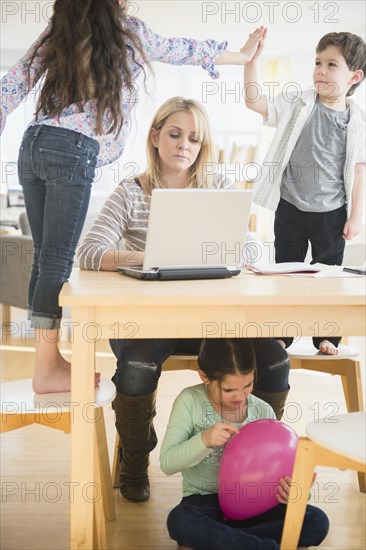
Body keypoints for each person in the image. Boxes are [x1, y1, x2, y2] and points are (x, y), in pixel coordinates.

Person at [0, 0, 266, 394]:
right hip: (74, 150)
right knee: (55, 259)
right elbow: (185, 49)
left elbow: (13, 83)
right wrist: (241, 55)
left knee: (44, 255)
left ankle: (48, 362)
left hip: (33, 145)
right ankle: (48, 367)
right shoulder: (130, 33)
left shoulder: (59, 33)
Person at [77, 96, 291, 502]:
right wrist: (139, 257)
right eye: (175, 135)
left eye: (194, 139)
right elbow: (88, 252)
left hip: (216, 325)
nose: (184, 145)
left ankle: (258, 455)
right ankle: (135, 461)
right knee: (137, 368)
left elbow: (255, 251)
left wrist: (228, 250)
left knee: (276, 360)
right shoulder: (131, 192)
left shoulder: (218, 189)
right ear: (156, 137)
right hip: (150, 323)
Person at [244, 31, 365, 355]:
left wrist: (356, 215)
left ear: (354, 76)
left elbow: (358, 169)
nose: (321, 71)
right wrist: (251, 63)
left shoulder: (357, 120)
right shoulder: (298, 103)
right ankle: (284, 333)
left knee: (329, 279)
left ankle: (326, 336)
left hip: (332, 212)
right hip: (292, 206)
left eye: (331, 65)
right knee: (287, 273)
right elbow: (255, 102)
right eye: (317, 63)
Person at [160, 338, 329, 550]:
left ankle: (228, 542)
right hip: (205, 502)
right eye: (229, 390)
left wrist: (296, 491)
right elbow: (167, 462)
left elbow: (278, 466)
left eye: (248, 385)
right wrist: (204, 440)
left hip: (257, 503)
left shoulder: (263, 410)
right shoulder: (189, 401)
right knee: (180, 520)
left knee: (317, 520)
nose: (240, 397)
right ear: (204, 376)